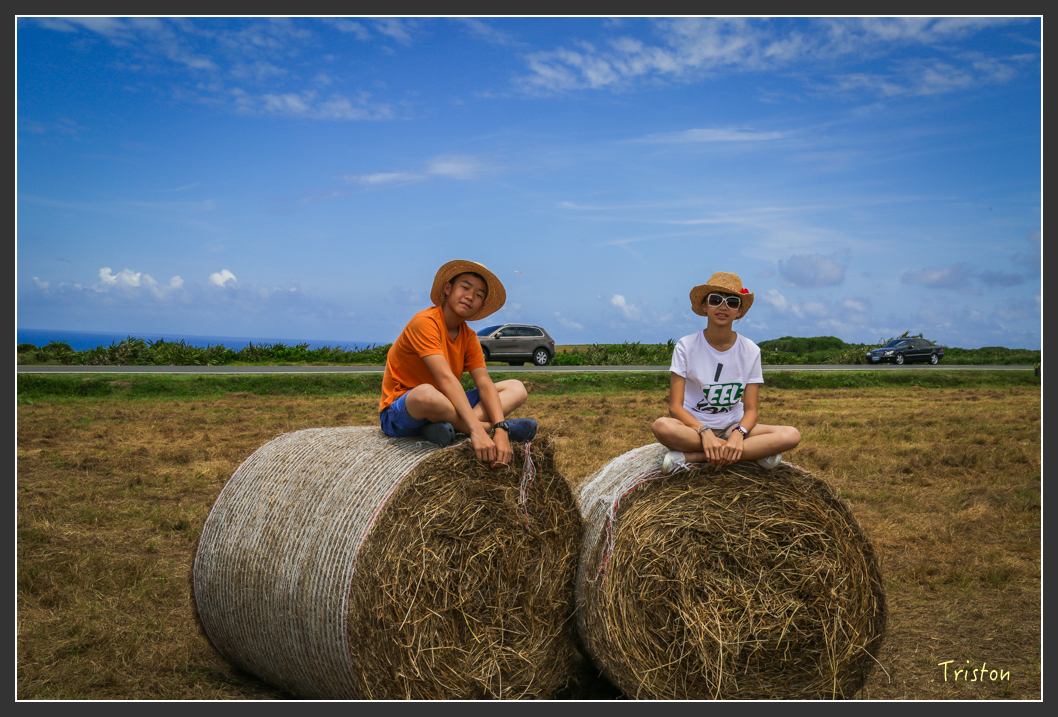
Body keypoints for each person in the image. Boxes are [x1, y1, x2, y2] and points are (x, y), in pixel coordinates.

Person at [379, 260, 537, 467]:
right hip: (402, 410)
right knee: (426, 393)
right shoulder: (425, 322)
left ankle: (447, 426)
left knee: (517, 388)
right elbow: (444, 378)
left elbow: (484, 384)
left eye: (479, 295)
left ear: (481, 305)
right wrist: (480, 431)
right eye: (465, 287)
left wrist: (500, 427)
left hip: (447, 404)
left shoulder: (469, 336)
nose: (470, 296)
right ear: (448, 288)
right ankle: (476, 426)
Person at [652, 271, 800, 473]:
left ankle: (696, 457)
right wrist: (704, 432)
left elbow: (751, 410)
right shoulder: (686, 346)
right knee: (662, 426)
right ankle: (748, 455)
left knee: (791, 435)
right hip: (693, 429)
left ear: (739, 311)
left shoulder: (750, 350)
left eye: (732, 302)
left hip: (734, 426)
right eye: (716, 300)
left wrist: (739, 433)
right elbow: (675, 408)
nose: (723, 307)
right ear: (705, 307)